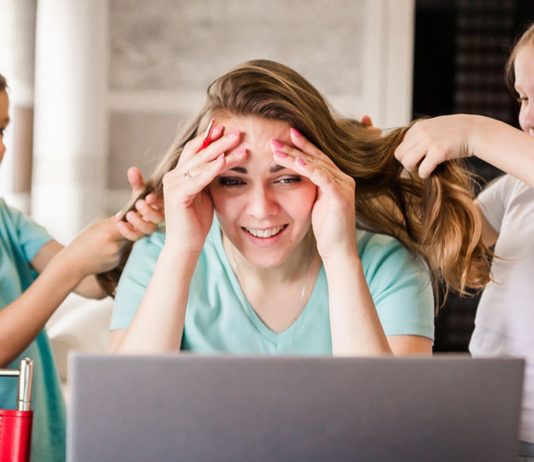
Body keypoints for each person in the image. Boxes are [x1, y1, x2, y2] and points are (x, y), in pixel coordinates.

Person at [106, 59, 492, 358]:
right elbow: (123, 419)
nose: (261, 209)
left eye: (287, 178)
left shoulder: (388, 266)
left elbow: (395, 432)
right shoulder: (159, 254)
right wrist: (180, 251)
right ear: (204, 185)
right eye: (233, 180)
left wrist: (341, 257)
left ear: (325, 177)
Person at [0, 73, 162, 461]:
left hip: (41, 444)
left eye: (3, 130)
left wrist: (126, 233)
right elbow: (68, 271)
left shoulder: (7, 220)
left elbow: (89, 282)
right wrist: (71, 265)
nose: (2, 148)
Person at [394, 23, 534, 461]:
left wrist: (474, 132)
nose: (527, 117)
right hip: (496, 420)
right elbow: (456, 233)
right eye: (524, 98)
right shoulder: (519, 186)